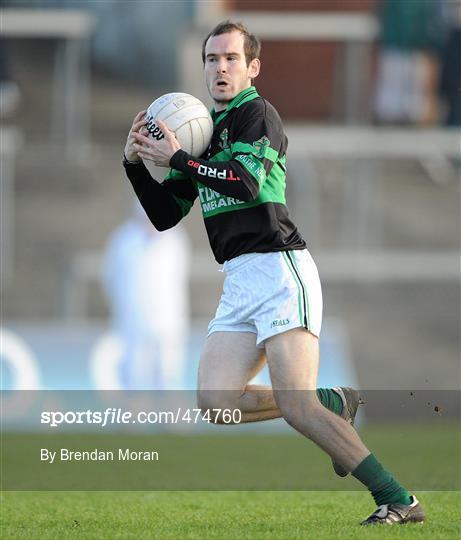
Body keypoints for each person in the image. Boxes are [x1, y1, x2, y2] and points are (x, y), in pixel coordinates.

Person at [122, 21, 425, 525]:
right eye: (212, 59)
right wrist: (136, 163)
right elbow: (165, 215)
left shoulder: (257, 115)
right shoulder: (201, 131)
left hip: (280, 270)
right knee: (216, 402)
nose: (220, 67)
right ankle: (333, 400)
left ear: (252, 67)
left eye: (231, 58)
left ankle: (398, 499)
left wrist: (176, 155)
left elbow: (243, 182)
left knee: (299, 408)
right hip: (240, 278)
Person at [103, 201, 190, 390]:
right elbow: (110, 277)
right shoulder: (123, 239)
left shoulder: (175, 238)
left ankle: (169, 418)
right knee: (133, 373)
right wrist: (122, 305)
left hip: (168, 318)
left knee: (168, 373)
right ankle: (134, 416)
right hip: (133, 318)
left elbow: (179, 278)